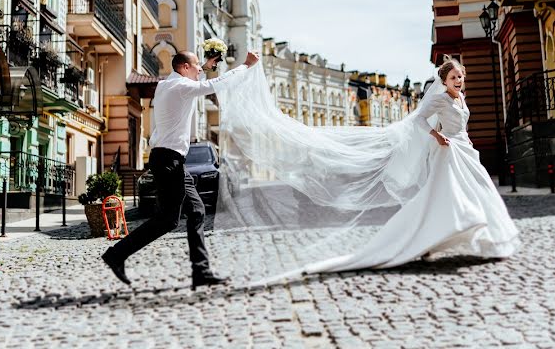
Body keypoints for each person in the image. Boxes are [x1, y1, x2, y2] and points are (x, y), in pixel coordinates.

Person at [210, 54, 519, 283]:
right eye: (454, 78)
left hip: (465, 149)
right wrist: (437, 135)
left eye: (461, 78)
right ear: (444, 80)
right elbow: (419, 121)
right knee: (446, 195)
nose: (458, 82)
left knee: (475, 190)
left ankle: (485, 236)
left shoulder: (460, 98)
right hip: (448, 150)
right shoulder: (438, 99)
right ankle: (431, 236)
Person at [102, 49, 260, 290]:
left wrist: (204, 66)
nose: (200, 69)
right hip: (168, 160)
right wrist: (246, 65)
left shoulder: (168, 84)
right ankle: (117, 254)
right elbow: (217, 84)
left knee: (196, 211)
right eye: (196, 66)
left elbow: (194, 76)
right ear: (184, 68)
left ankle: (201, 272)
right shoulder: (180, 88)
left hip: (171, 159)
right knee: (167, 220)